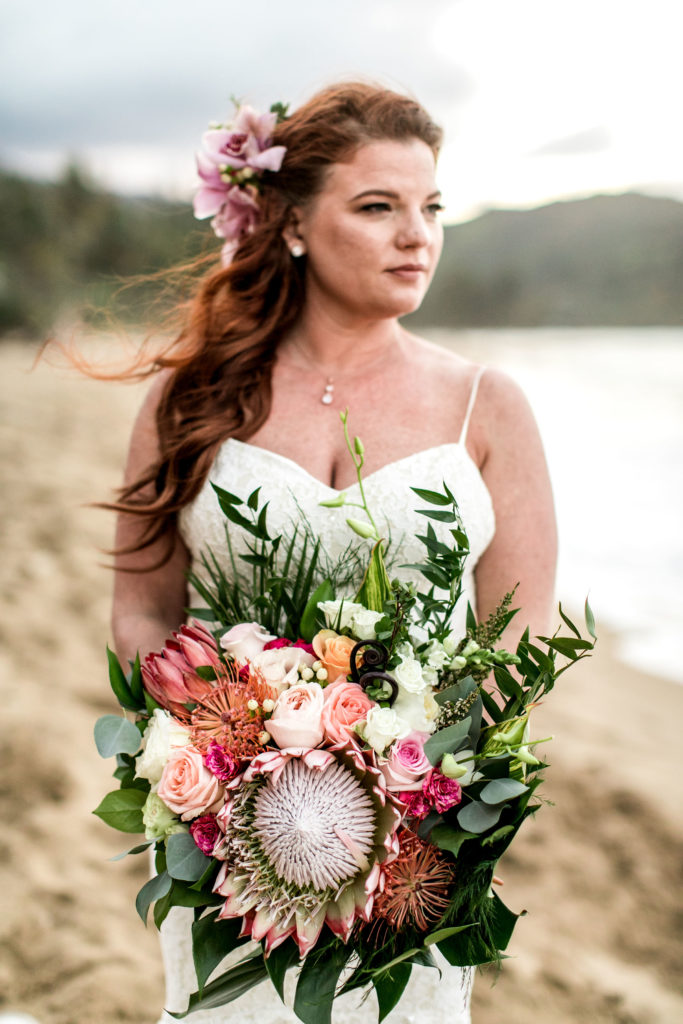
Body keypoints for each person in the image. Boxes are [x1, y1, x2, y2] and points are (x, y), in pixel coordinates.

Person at [110, 82, 557, 1024]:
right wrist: (211, 767)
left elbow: (521, 638)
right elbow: (146, 610)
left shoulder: (487, 405)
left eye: (430, 207)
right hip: (225, 841)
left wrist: (433, 791)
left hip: (416, 846)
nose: (417, 235)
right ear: (292, 224)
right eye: (377, 207)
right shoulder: (189, 400)